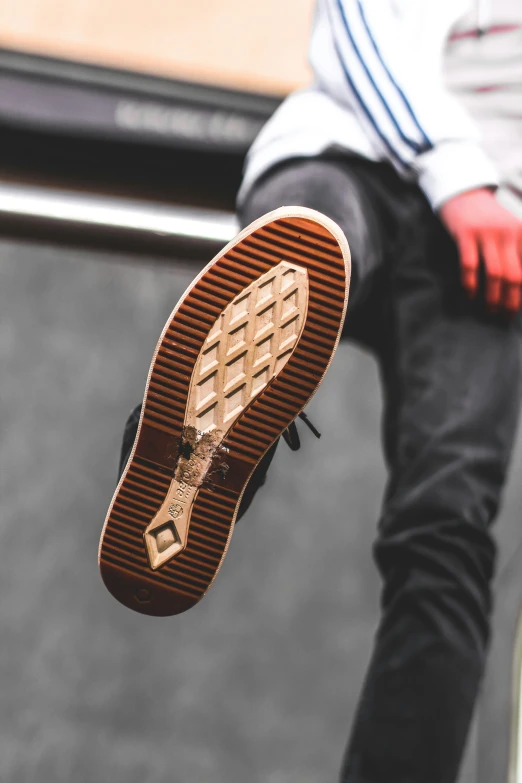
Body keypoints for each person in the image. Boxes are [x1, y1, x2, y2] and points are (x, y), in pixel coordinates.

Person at [113, 1, 522, 781]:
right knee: (304, 250)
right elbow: (358, 16)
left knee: (451, 532)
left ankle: (212, 432)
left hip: (493, 246)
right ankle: (198, 446)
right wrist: (458, 171)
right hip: (357, 156)